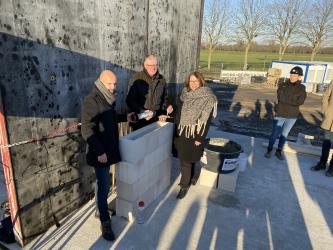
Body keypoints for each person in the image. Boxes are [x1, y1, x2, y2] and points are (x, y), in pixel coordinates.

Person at [81, 70, 133, 241]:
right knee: (104, 185)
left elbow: (110, 118)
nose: (113, 87)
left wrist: (126, 116)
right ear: (101, 83)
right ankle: (105, 221)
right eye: (109, 84)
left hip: (108, 149)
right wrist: (100, 152)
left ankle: (98, 209)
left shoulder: (107, 99)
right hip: (100, 153)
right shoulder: (92, 101)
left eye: (115, 84)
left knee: (102, 184)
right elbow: (87, 129)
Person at [171, 71, 217, 199]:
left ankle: (187, 182)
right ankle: (188, 181)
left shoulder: (208, 97)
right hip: (182, 130)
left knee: (192, 157)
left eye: (196, 81)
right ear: (188, 82)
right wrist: (171, 111)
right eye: (191, 81)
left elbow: (206, 120)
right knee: (184, 159)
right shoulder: (184, 94)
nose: (194, 84)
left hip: (196, 132)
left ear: (201, 82)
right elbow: (179, 110)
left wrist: (199, 137)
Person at [264, 66, 307, 160]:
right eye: (292, 74)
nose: (292, 76)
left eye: (295, 75)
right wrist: (292, 100)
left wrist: (286, 100)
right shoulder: (283, 85)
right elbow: (280, 97)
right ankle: (269, 149)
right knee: (274, 134)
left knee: (284, 134)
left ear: (299, 77)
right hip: (280, 113)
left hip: (292, 116)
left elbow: (300, 101)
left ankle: (279, 151)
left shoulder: (302, 88)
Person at [126, 55, 173, 130]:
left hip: (156, 120)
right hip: (140, 121)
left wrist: (167, 106)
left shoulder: (161, 79)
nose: (153, 67)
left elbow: (164, 99)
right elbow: (130, 100)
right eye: (150, 65)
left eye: (155, 65)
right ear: (145, 65)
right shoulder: (136, 78)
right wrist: (142, 111)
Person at [311, 80, 333, 177]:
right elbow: (326, 96)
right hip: (330, 118)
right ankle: (322, 163)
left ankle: (331, 167)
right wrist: (326, 111)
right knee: (326, 143)